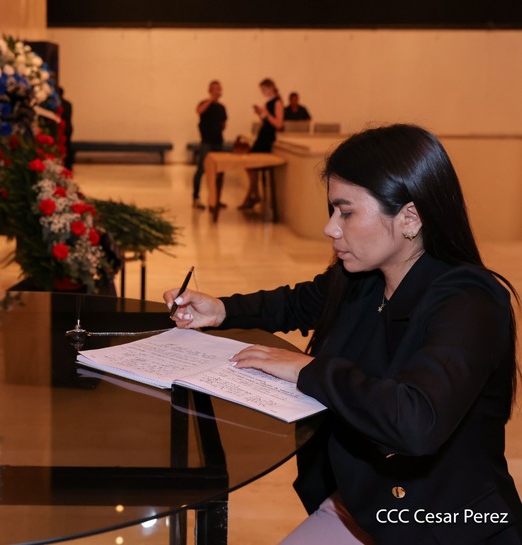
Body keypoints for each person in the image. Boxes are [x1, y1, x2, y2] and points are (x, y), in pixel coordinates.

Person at [165, 124, 522, 544]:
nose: (330, 228)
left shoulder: (470, 302)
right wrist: (223, 309)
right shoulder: (364, 278)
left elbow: (415, 421)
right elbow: (296, 302)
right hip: (365, 507)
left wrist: (308, 369)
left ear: (409, 217)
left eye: (346, 212)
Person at [239, 78, 284, 210]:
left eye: (264, 90)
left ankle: (252, 195)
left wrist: (266, 114)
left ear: (271, 87)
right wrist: (260, 114)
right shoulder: (269, 102)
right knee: (250, 164)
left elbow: (278, 124)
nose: (263, 92)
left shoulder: (277, 102)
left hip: (267, 137)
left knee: (252, 163)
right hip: (263, 135)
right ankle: (253, 194)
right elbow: (266, 122)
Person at [192, 80, 227, 210]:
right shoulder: (204, 104)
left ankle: (216, 199)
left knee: (219, 171)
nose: (217, 90)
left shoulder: (222, 107)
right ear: (210, 90)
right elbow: (199, 111)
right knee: (201, 170)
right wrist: (211, 100)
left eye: (219, 88)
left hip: (218, 142)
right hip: (206, 142)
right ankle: (196, 198)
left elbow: (224, 124)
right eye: (214, 88)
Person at [58, 87, 74, 171]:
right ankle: (68, 165)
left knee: (64, 145)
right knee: (67, 145)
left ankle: (64, 164)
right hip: (68, 127)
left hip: (62, 127)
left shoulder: (57, 104)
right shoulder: (68, 104)